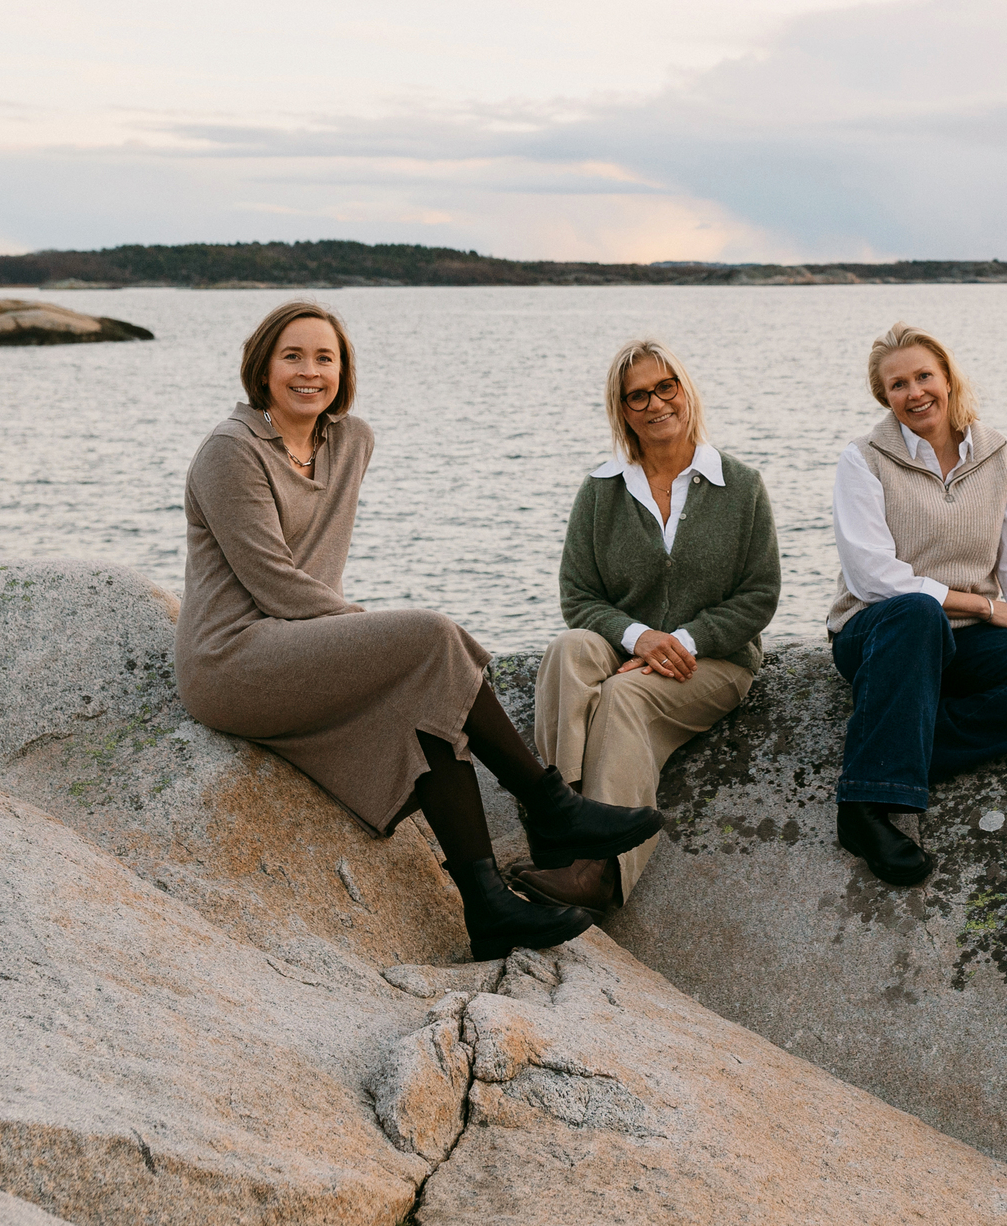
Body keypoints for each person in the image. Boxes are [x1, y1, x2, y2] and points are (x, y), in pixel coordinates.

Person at [174, 301, 664, 960]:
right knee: (430, 640)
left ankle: (487, 907)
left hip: (299, 645)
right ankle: (549, 805)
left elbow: (314, 574)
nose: (310, 371)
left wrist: (380, 657)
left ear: (343, 371)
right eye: (292, 356)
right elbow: (275, 586)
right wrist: (381, 643)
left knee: (425, 710)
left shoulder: (350, 442)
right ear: (262, 368)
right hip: (233, 659)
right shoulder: (229, 452)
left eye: (325, 358)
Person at [517, 339, 781, 912]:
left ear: (686, 391)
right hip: (624, 645)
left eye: (666, 387)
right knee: (568, 650)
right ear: (623, 410)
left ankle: (600, 872)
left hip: (715, 661)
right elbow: (578, 595)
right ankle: (561, 822)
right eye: (638, 396)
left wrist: (680, 642)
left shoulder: (741, 486)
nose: (656, 404)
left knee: (624, 696)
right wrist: (640, 637)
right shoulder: (601, 491)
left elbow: (759, 595)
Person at [827, 322, 1007, 885]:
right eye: (898, 385)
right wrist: (982, 606)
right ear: (884, 396)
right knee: (917, 611)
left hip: (967, 637)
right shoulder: (863, 459)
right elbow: (872, 576)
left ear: (947, 378)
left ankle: (908, 741)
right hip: (880, 629)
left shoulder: (999, 455)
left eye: (924, 376)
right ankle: (863, 807)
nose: (915, 393)